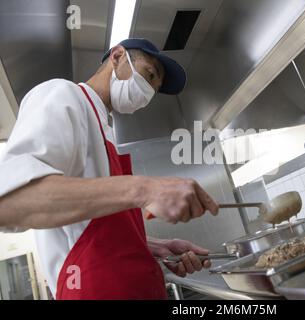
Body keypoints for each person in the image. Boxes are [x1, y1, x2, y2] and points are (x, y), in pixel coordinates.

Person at [0, 38, 219, 300]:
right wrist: (145, 189)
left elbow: (87, 228)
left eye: (155, 88)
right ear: (117, 56)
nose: (148, 92)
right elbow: (9, 201)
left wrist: (152, 246)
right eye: (149, 75)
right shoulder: (62, 95)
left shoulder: (104, 127)